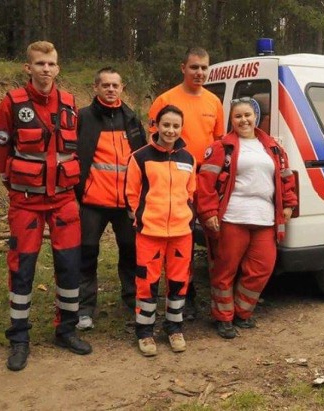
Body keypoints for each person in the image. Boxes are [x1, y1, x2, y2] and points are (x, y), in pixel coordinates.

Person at [0, 41, 91, 371]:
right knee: (22, 269)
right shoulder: (12, 103)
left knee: (69, 266)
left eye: (51, 64)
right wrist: (18, 186)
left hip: (63, 200)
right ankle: (19, 338)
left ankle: (66, 329)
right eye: (40, 64)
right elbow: (0, 153)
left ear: (58, 68)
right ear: (28, 68)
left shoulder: (70, 102)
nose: (46, 69)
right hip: (26, 203)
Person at [196, 98, 298, 339]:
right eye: (237, 116)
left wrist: (290, 203)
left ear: (256, 117)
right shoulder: (223, 147)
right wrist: (209, 213)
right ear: (231, 120)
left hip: (265, 219)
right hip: (233, 217)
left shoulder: (272, 146)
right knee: (225, 269)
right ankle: (223, 318)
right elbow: (205, 184)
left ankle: (242, 311)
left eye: (247, 115)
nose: (243, 120)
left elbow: (285, 178)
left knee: (262, 268)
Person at [148, 47, 225, 321]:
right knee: (181, 243)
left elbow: (219, 144)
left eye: (204, 68)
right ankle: (184, 296)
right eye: (194, 67)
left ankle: (219, 297)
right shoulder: (165, 99)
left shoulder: (214, 102)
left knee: (213, 239)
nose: (200, 73)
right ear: (183, 68)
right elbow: (152, 144)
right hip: (173, 183)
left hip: (206, 182)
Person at [75, 67, 147, 330]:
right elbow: (74, 158)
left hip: (126, 204)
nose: (110, 89)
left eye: (115, 85)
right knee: (87, 253)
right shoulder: (83, 117)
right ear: (96, 87)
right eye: (105, 85)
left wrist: (140, 199)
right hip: (92, 203)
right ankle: (84, 308)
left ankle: (131, 298)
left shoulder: (131, 118)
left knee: (131, 251)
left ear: (122, 88)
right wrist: (76, 195)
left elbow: (142, 159)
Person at [125, 105, 196, 356]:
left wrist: (185, 214)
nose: (171, 130)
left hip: (181, 233)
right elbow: (132, 194)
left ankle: (174, 327)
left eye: (176, 126)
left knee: (178, 282)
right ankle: (145, 333)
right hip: (150, 233)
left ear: (181, 128)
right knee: (147, 283)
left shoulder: (188, 158)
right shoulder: (140, 156)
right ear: (156, 125)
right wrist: (142, 217)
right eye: (166, 125)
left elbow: (190, 192)